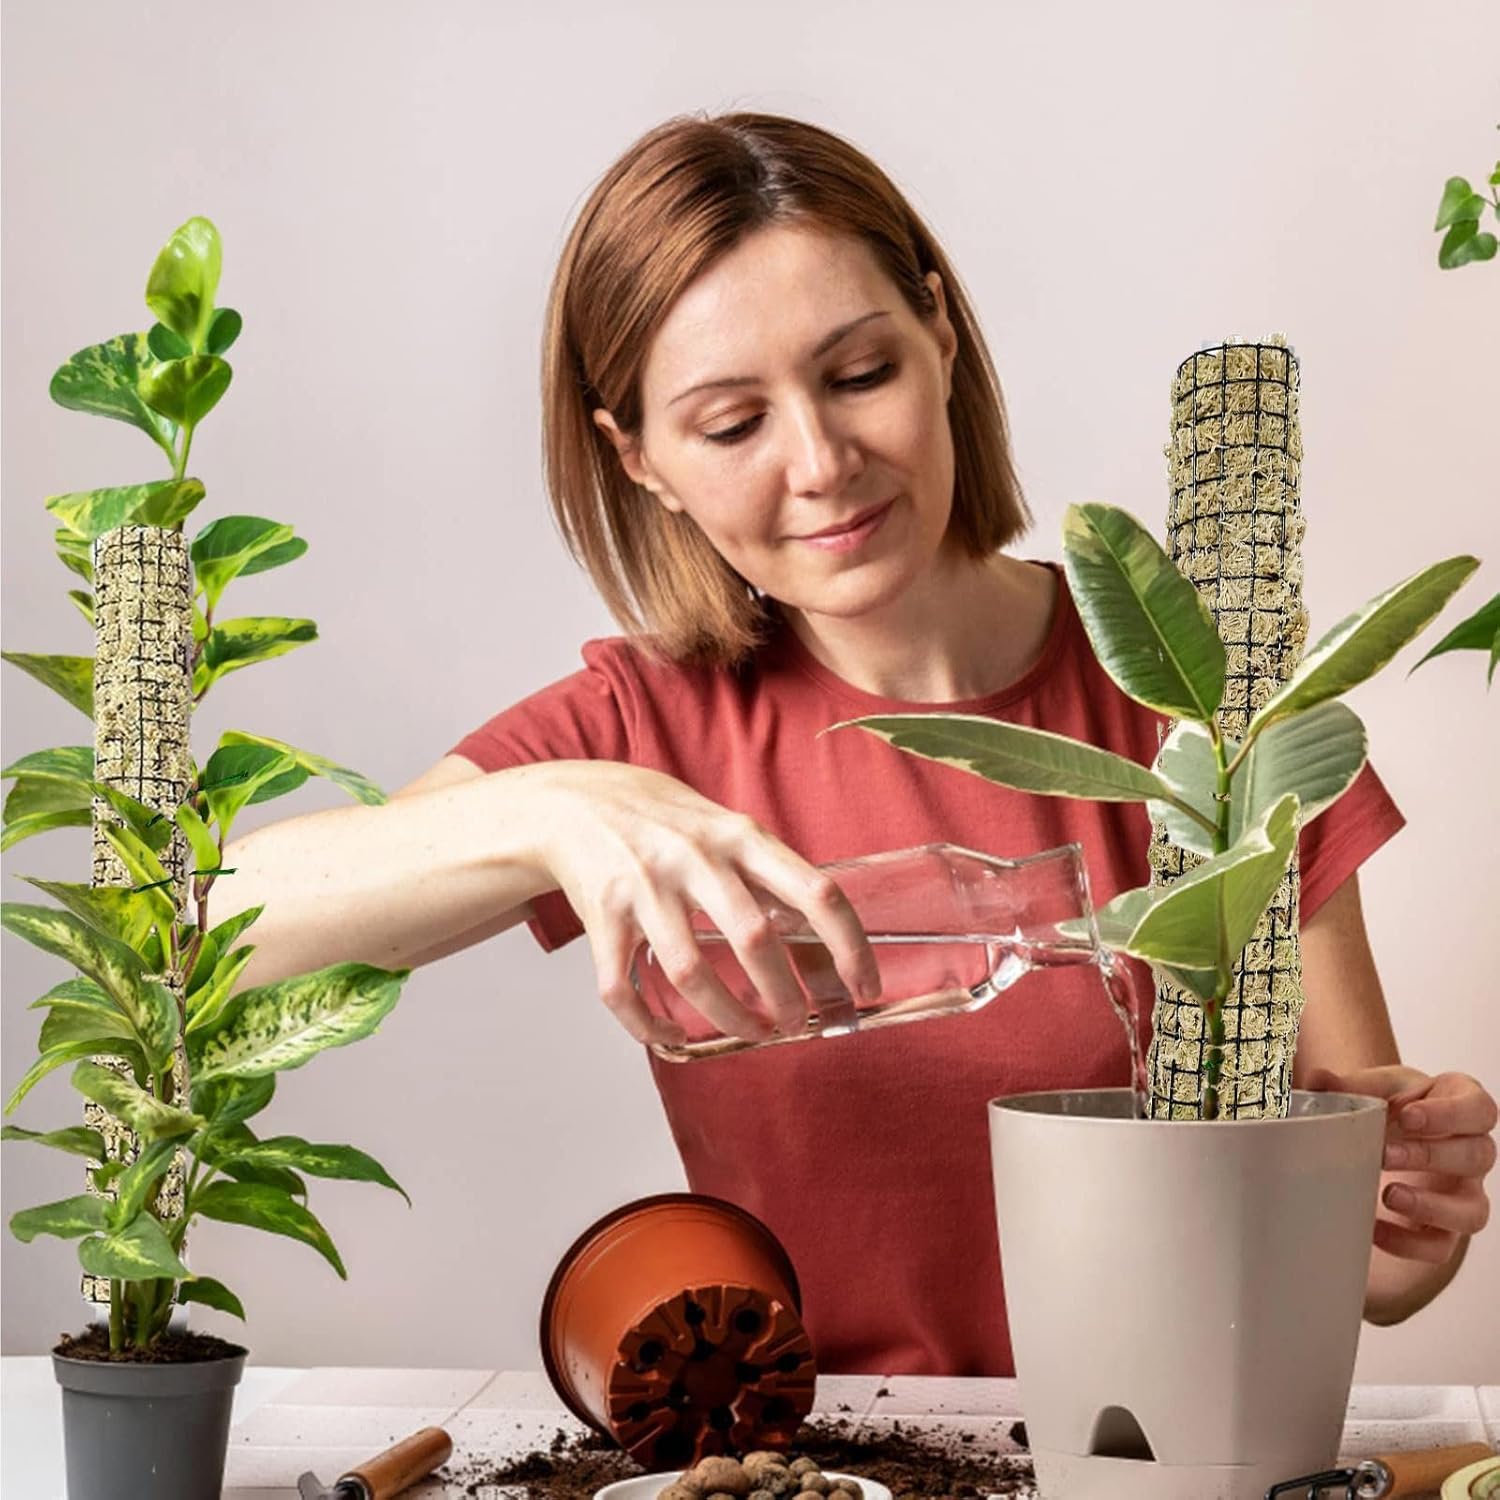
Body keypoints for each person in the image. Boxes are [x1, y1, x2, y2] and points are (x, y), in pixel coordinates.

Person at [219, 110, 1495, 1375]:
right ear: (641, 459)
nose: (822, 463)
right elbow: (201, 934)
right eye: (732, 425)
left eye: (861, 374)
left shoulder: (1210, 713)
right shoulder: (646, 731)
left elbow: (1375, 1269)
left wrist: (1412, 1205)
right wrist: (552, 811)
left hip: (1163, 1447)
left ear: (939, 335)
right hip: (815, 1462)